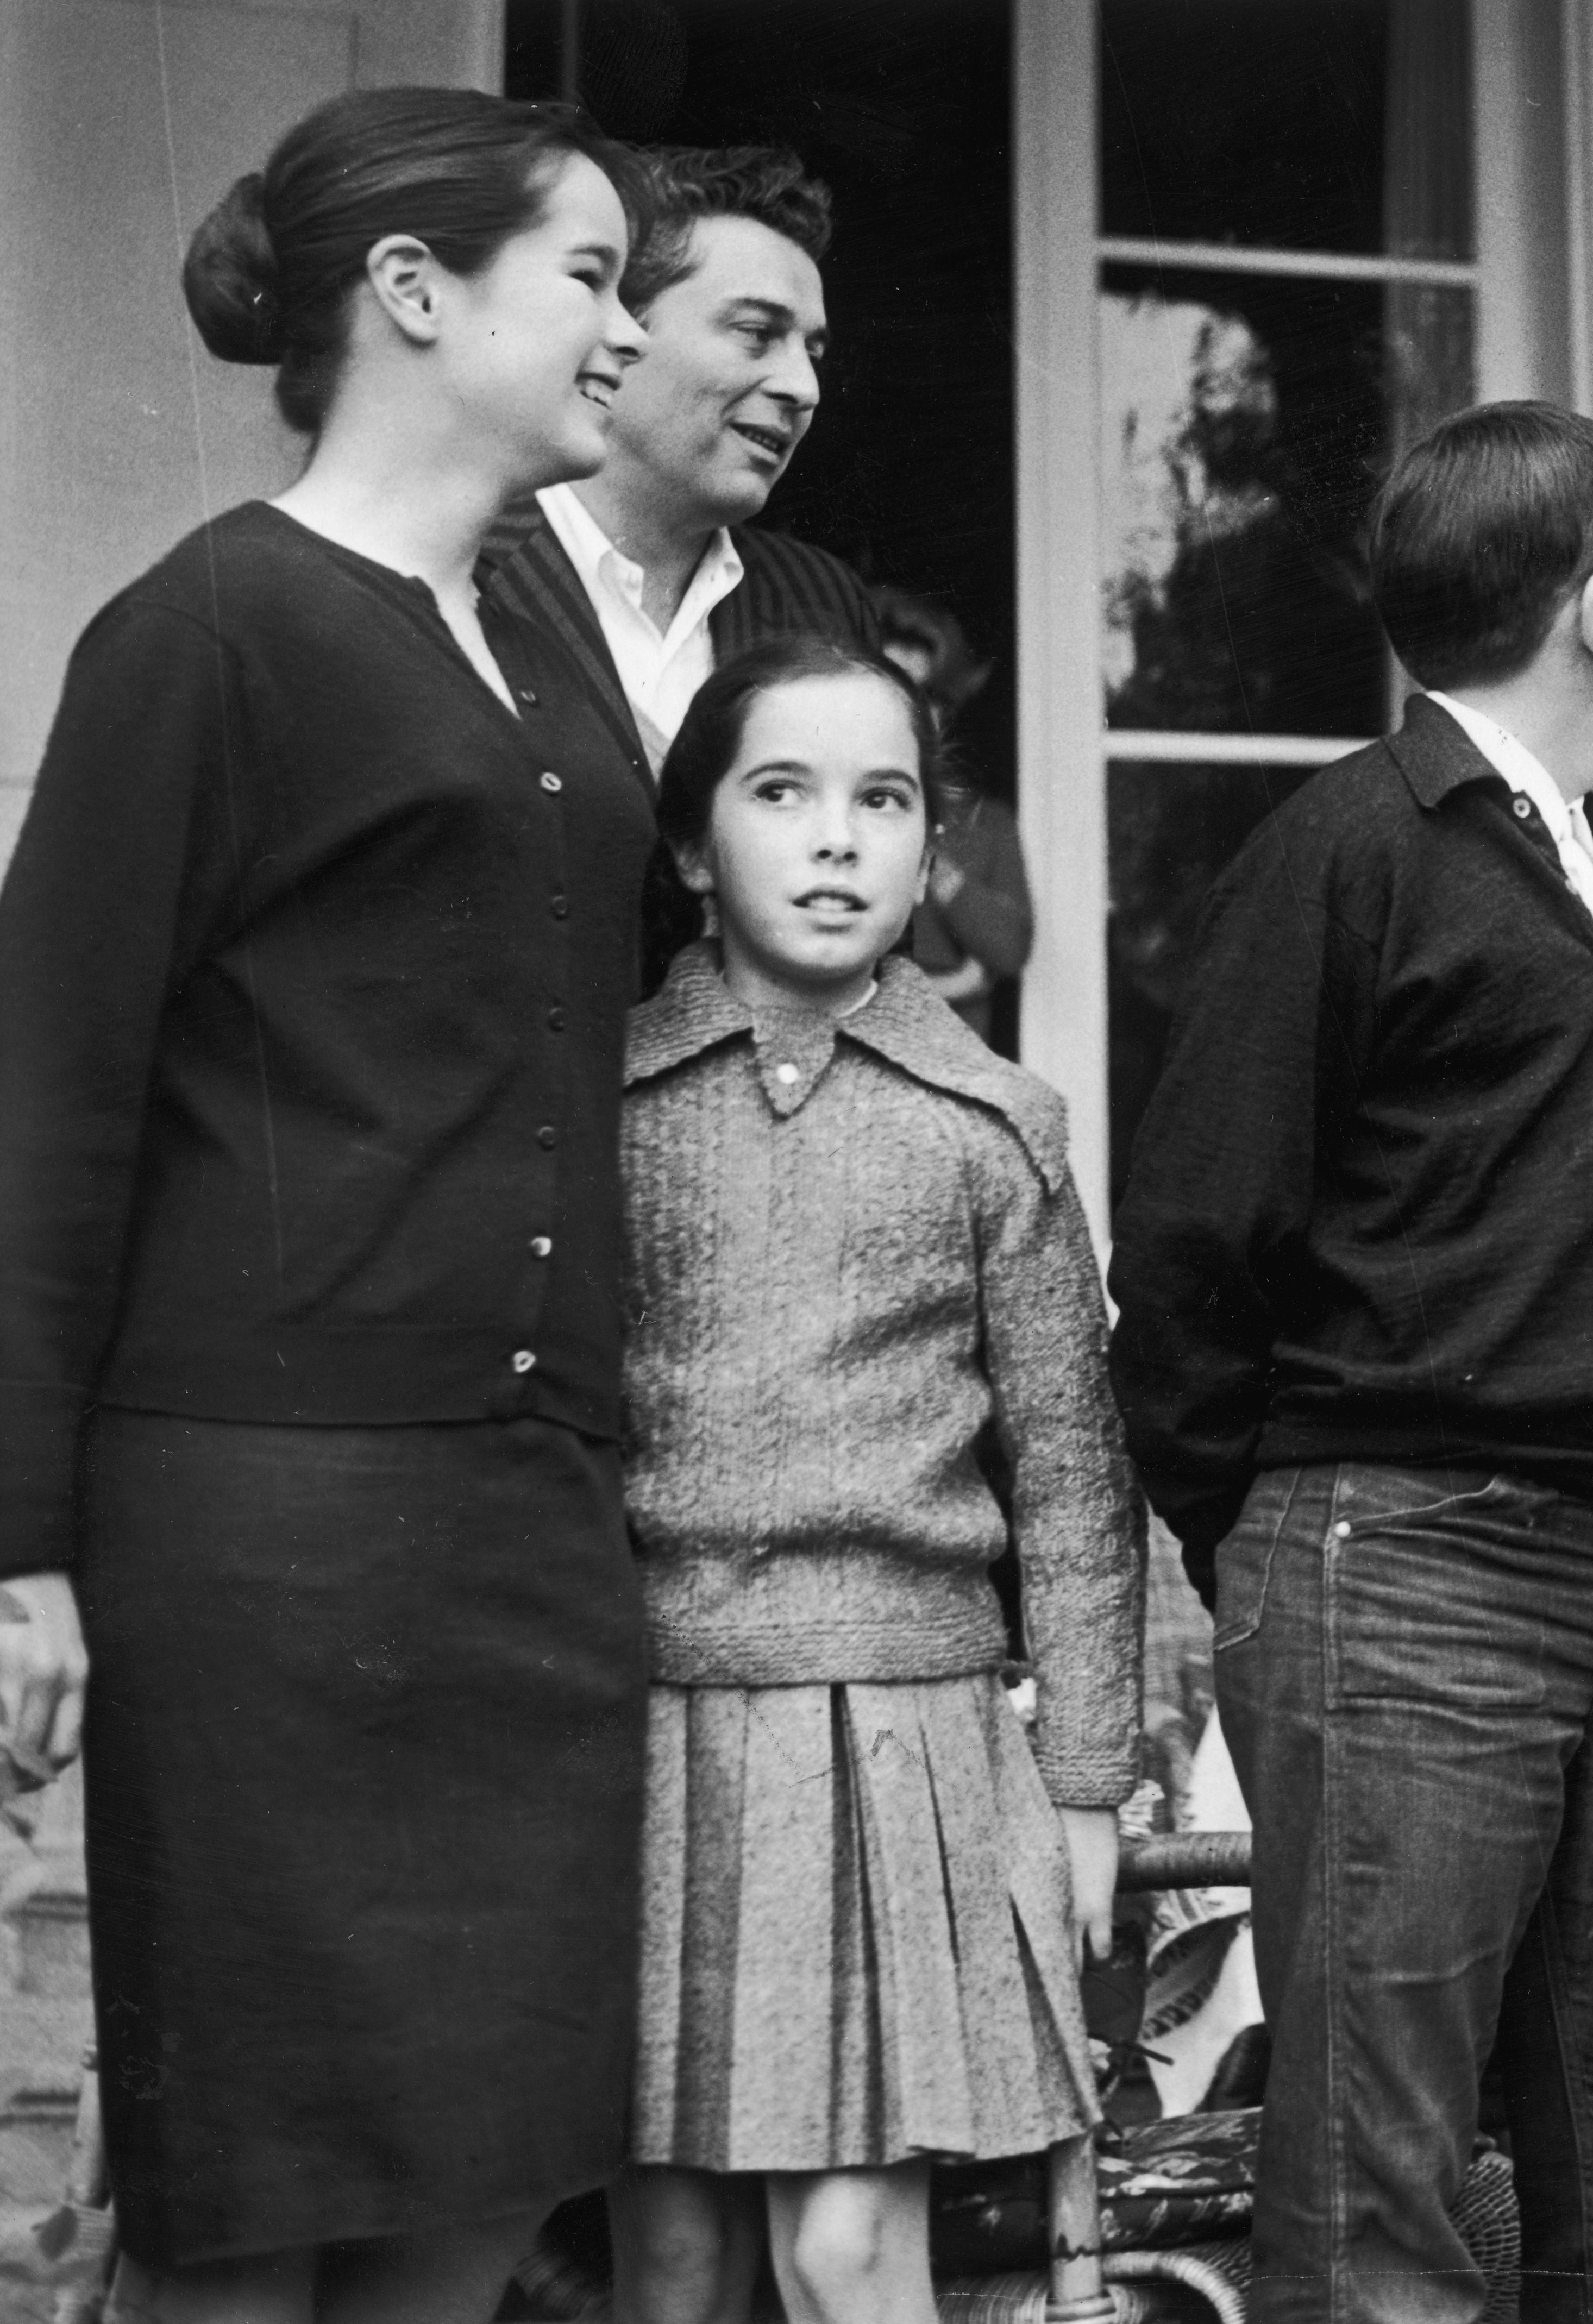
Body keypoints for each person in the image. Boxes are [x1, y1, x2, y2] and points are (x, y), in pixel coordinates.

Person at [0, 85, 653, 2320]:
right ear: (410, 292)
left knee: (483, 2191)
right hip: (266, 1538)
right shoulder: (205, 631)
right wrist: (19, 1546)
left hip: (529, 1523)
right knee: (260, 2214)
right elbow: (50, 1098)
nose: (624, 329)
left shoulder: (550, 650)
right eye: (587, 275)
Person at [1106, 403, 1593, 2324]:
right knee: (1378, 2209)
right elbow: (1195, 1247)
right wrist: (1303, 1531)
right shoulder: (1348, 849)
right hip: (1411, 1568)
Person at [609, 638, 1142, 2324]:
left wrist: (1080, 1786)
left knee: (846, 2254)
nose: (836, 839)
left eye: (882, 800)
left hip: (897, 1734)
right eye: (783, 793)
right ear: (696, 845)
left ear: (934, 853)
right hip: (655, 1725)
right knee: (674, 2262)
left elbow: (1071, 1473)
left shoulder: (991, 1124)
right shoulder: (605, 1106)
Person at [478, 143, 880, 789]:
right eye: (756, 333)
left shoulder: (822, 602)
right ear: (616, 333)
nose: (804, 388)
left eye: (813, 351)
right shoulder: (457, 564)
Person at [873, 585, 1037, 1051]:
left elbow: (1010, 949)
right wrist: (956, 983)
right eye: (887, 686)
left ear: (946, 708)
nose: (905, 709)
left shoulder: (987, 821)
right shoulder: (825, 814)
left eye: (924, 694)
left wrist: (935, 867)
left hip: (950, 1070)